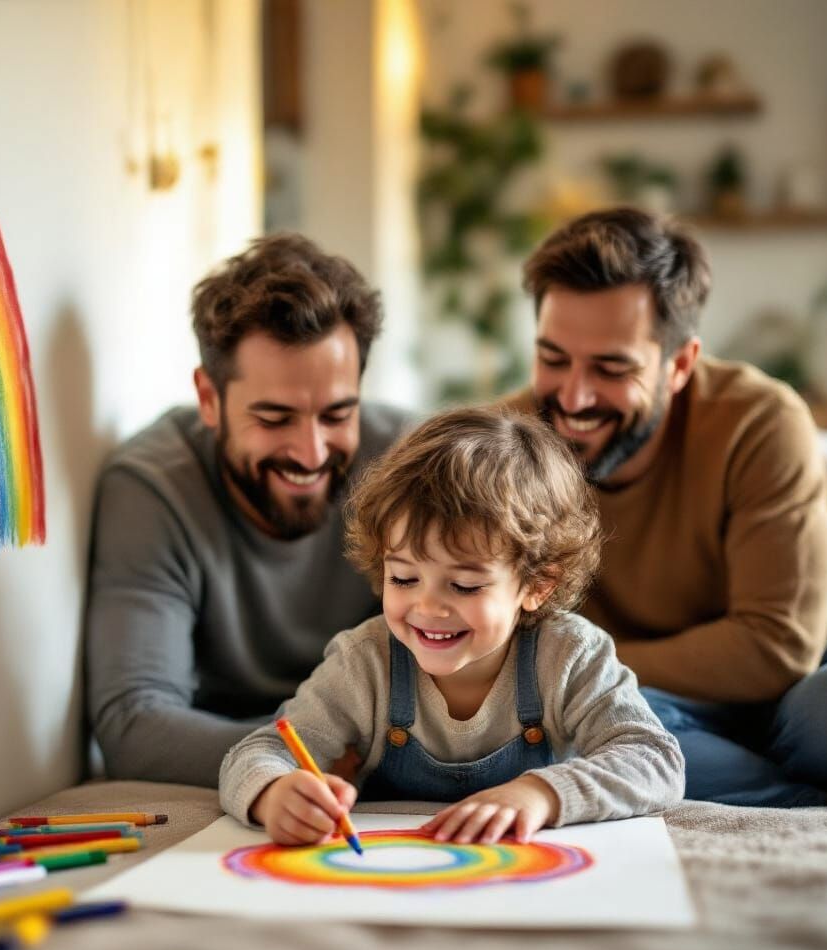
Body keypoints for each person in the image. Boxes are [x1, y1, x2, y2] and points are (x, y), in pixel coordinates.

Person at [505, 206, 827, 807]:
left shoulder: (758, 420)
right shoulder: (505, 445)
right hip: (646, 697)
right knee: (574, 738)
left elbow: (777, 646)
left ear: (681, 364)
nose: (574, 396)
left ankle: (749, 771)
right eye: (554, 359)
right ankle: (814, 800)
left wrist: (573, 664)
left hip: (816, 663)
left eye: (612, 368)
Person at [219, 406, 684, 846]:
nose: (427, 606)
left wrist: (540, 794)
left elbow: (655, 760)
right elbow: (257, 752)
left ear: (538, 584)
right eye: (403, 577)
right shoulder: (365, 661)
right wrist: (274, 792)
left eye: (463, 585)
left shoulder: (569, 655)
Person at [86, 233, 409, 787]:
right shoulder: (153, 487)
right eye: (275, 418)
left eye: (337, 414)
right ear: (209, 400)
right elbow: (133, 724)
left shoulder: (409, 463)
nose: (311, 453)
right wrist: (312, 754)